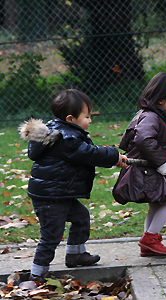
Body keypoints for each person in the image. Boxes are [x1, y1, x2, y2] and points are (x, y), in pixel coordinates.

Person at [19, 89, 128, 282]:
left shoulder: (63, 132)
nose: (90, 120)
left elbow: (86, 153)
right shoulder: (66, 138)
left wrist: (113, 158)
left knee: (81, 217)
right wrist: (113, 155)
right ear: (70, 118)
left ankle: (75, 254)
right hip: (50, 197)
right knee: (51, 235)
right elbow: (88, 153)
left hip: (60, 194)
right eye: (87, 116)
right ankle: (37, 273)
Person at [113, 72, 166, 257]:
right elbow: (144, 139)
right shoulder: (151, 117)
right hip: (152, 169)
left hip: (155, 169)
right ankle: (150, 237)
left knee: (157, 204)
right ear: (161, 100)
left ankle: (149, 242)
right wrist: (162, 163)